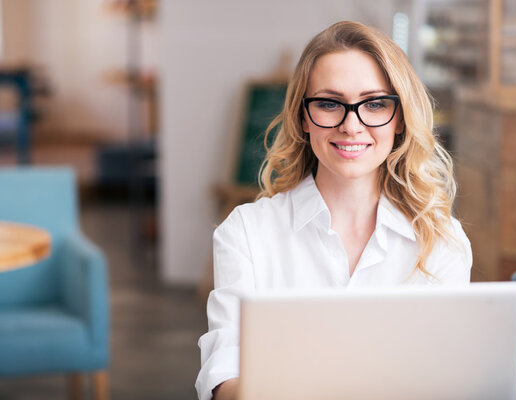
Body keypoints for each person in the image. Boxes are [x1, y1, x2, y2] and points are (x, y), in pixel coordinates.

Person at [195, 20, 472, 400]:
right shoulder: (246, 233)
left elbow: (452, 381)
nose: (351, 125)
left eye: (374, 104)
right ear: (303, 117)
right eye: (328, 104)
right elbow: (224, 380)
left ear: (400, 119)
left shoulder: (443, 241)